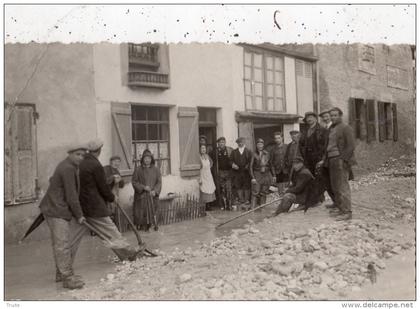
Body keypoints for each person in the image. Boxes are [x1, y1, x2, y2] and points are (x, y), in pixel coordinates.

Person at [79, 139, 139, 258]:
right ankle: (129, 253)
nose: (117, 163)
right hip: (95, 205)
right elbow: (103, 187)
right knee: (111, 230)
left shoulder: (81, 163)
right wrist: (112, 198)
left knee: (99, 234)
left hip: (81, 206)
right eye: (115, 161)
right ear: (99, 151)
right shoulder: (96, 165)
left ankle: (123, 255)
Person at [39, 143, 88, 289]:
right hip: (56, 210)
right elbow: (71, 195)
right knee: (62, 244)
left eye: (82, 155)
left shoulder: (69, 166)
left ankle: (61, 274)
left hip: (56, 208)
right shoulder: (67, 168)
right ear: (70, 154)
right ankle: (67, 278)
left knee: (62, 243)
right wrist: (79, 215)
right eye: (77, 154)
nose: (80, 158)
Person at [317, 107, 356, 221]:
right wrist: (324, 160)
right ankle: (340, 208)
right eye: (332, 115)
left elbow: (351, 146)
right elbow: (327, 147)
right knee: (335, 186)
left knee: (342, 186)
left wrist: (344, 160)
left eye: (335, 115)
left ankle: (347, 212)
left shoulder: (345, 128)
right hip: (331, 160)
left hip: (340, 159)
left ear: (340, 116)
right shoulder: (332, 129)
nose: (333, 117)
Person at [299, 111, 329, 205]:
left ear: (315, 118)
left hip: (318, 157)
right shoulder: (305, 131)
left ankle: (320, 198)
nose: (309, 119)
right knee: (310, 178)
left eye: (311, 117)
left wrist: (323, 159)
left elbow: (326, 145)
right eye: (307, 118)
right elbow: (302, 145)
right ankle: (312, 199)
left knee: (319, 178)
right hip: (308, 159)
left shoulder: (322, 130)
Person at [132, 149, 162, 231]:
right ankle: (141, 227)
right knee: (141, 214)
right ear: (142, 159)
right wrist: (143, 187)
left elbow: (159, 182)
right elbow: (134, 182)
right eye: (145, 158)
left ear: (152, 159)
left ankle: (153, 225)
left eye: (149, 158)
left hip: (152, 196)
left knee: (153, 213)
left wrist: (155, 191)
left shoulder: (156, 169)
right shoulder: (138, 169)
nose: (147, 160)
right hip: (142, 196)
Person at [210, 137, 233, 210]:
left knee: (228, 189)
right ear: (218, 143)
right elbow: (209, 160)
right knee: (221, 190)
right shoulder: (215, 152)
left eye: (223, 142)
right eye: (220, 142)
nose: (221, 143)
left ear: (225, 142)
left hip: (228, 172)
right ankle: (222, 205)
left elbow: (233, 159)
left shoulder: (229, 150)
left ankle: (229, 205)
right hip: (219, 172)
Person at [250, 138, 272, 210]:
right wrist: (253, 177)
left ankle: (262, 209)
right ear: (256, 145)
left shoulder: (267, 153)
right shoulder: (254, 154)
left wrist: (273, 175)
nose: (260, 146)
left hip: (265, 174)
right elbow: (250, 167)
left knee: (264, 192)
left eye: (261, 144)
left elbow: (271, 165)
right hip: (257, 174)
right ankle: (252, 209)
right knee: (255, 192)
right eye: (258, 144)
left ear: (263, 145)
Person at [103, 156, 125, 231]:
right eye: (115, 161)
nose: (117, 163)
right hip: (106, 194)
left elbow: (121, 185)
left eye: (118, 162)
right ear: (111, 161)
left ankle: (113, 229)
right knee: (106, 211)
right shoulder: (105, 169)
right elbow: (103, 182)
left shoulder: (117, 171)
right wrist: (112, 177)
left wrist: (120, 180)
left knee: (113, 211)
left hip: (114, 195)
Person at [230, 137, 252, 209]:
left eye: (242, 142)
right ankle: (241, 199)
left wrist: (248, 166)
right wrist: (233, 165)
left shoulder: (248, 151)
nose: (240, 143)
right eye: (239, 142)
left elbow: (251, 161)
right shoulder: (234, 152)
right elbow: (230, 161)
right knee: (238, 185)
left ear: (244, 142)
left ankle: (246, 200)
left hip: (246, 172)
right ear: (237, 143)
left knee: (246, 185)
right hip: (237, 172)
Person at [198, 144, 216, 210]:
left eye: (204, 148)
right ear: (200, 149)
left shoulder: (207, 156)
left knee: (210, 188)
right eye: (202, 148)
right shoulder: (199, 157)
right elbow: (199, 167)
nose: (203, 150)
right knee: (204, 189)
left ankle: (209, 205)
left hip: (208, 174)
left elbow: (211, 163)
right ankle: (204, 206)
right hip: (202, 174)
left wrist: (208, 168)